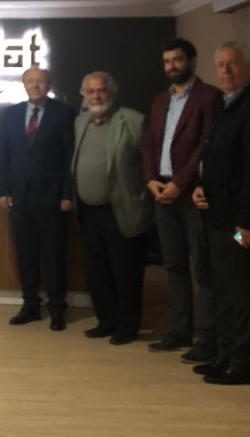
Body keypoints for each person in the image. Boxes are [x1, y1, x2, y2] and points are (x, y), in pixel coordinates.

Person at [192, 42, 250, 385]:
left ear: (248, 66)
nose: (226, 70)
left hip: (241, 225)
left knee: (242, 294)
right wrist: (201, 187)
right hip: (217, 218)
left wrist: (248, 225)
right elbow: (217, 161)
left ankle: (244, 363)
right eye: (221, 64)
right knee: (224, 292)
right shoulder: (225, 105)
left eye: (233, 63)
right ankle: (226, 354)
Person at [141, 38, 221, 362]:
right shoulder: (160, 100)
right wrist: (151, 179)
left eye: (177, 60)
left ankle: (209, 337)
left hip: (192, 194)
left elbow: (206, 145)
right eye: (167, 61)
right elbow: (149, 143)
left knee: (202, 267)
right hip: (162, 192)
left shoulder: (209, 96)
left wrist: (179, 183)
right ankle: (180, 330)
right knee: (173, 266)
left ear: (192, 60)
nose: (171, 66)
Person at [72, 72, 152, 346]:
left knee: (125, 273)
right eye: (90, 91)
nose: (96, 96)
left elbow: (148, 166)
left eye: (101, 90)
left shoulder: (133, 121)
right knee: (97, 271)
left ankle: (128, 326)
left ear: (112, 92)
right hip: (89, 211)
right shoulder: (80, 122)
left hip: (121, 209)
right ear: (83, 95)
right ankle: (106, 320)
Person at [0, 66, 76, 330]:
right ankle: (30, 305)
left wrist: (68, 193)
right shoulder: (11, 114)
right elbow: (3, 155)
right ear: (24, 85)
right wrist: (3, 190)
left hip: (53, 198)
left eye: (40, 81)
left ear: (49, 85)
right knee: (26, 255)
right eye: (30, 81)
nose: (35, 85)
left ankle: (57, 308)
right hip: (20, 197)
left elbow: (71, 157)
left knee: (54, 255)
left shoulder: (65, 114)